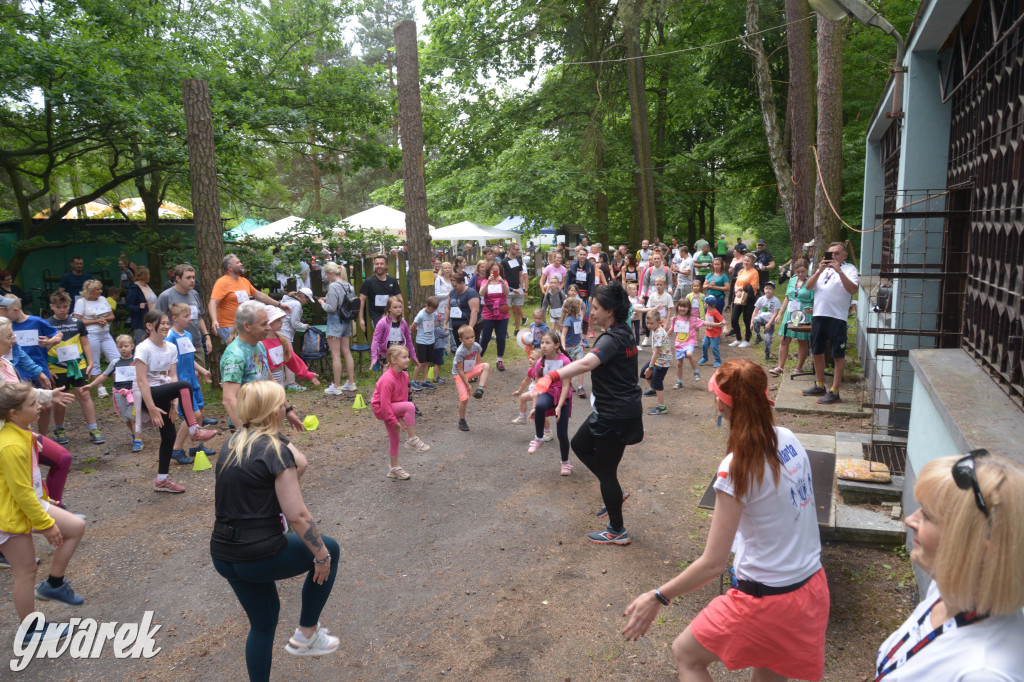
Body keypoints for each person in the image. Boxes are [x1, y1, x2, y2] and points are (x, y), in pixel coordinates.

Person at [621, 358, 828, 682]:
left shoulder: (737, 468)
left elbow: (713, 563)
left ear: (721, 403)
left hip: (766, 599)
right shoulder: (788, 439)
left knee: (687, 654)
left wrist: (658, 596)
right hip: (809, 589)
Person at [210, 381, 340, 680]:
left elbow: (297, 464)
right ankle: (307, 634)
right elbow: (297, 515)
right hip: (258, 555)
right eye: (283, 403)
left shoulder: (232, 442)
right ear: (272, 410)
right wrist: (320, 555)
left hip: (224, 554)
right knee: (330, 547)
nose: (286, 408)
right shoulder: (275, 450)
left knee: (263, 624)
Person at [873, 452, 1024, 680]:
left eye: (926, 515)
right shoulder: (948, 590)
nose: (910, 520)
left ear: (979, 549)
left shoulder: (983, 672)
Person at [531, 283, 643, 545]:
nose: (591, 312)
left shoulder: (611, 339)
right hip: (612, 411)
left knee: (607, 473)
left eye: (595, 308)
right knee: (580, 444)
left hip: (614, 415)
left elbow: (587, 363)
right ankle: (615, 493)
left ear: (610, 312)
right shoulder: (624, 333)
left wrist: (551, 376)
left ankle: (617, 530)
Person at [0, 383, 87, 642]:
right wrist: (47, 524)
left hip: (32, 505)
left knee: (75, 527)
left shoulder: (21, 433)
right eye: (31, 403)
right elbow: (22, 493)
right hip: (12, 515)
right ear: (13, 413)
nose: (39, 405)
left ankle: (55, 584)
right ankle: (30, 630)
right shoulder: (10, 446)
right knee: (25, 572)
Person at [134, 310, 217, 491]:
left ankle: (161, 480)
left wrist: (174, 404)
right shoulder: (143, 348)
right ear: (149, 326)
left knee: (169, 436)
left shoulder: (171, 348)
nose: (165, 326)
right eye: (161, 323)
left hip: (163, 391)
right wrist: (152, 408)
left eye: (166, 323)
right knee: (184, 385)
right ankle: (194, 430)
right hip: (146, 394)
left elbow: (172, 377)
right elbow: (141, 381)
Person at [0, 318, 76, 515]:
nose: (15, 340)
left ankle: (55, 511)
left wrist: (51, 394)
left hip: (21, 432)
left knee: (62, 458)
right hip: (8, 439)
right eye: (9, 336)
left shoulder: (6, 363)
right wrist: (23, 435)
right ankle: (53, 517)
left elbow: (21, 395)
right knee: (23, 486)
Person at [221, 301, 305, 434]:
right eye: (263, 324)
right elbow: (229, 399)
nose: (269, 327)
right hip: (249, 424)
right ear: (247, 326)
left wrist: (288, 410)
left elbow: (271, 380)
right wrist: (244, 432)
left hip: (266, 417)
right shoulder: (235, 356)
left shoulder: (259, 346)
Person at [802, 242, 859, 404]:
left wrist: (839, 271)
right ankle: (820, 385)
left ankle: (834, 391)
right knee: (817, 351)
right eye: (830, 253)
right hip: (819, 315)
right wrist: (819, 270)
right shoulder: (822, 270)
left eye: (836, 253)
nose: (832, 256)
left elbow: (853, 289)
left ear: (844, 256)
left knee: (837, 354)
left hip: (837, 317)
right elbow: (808, 286)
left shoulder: (849, 270)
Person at [46, 291, 102, 445]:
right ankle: (59, 428)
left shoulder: (77, 322)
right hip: (57, 368)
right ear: (52, 307)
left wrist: (90, 362)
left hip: (78, 365)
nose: (62, 310)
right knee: (61, 398)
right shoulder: (46, 324)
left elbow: (85, 343)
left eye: (65, 306)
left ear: (69, 305)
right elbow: (41, 348)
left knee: (84, 395)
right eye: (58, 307)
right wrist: (45, 369)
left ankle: (93, 428)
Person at [166, 303, 216, 465]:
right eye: (185, 316)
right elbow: (168, 362)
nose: (189, 319)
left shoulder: (187, 334)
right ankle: (176, 448)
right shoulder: (170, 337)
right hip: (181, 383)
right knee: (193, 416)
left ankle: (196, 445)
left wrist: (202, 371)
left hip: (193, 380)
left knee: (200, 411)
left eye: (190, 316)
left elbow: (190, 358)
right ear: (174, 318)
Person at [372, 345, 430, 481]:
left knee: (395, 439)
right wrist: (394, 421)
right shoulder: (387, 379)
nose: (408, 360)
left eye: (408, 357)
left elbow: (403, 398)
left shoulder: (404, 376)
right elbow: (385, 405)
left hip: (393, 407)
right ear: (393, 360)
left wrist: (402, 417)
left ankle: (393, 469)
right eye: (404, 357)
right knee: (410, 406)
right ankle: (412, 439)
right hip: (382, 409)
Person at [526, 331, 573, 473]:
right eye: (542, 343)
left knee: (562, 434)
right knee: (540, 406)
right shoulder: (540, 363)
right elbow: (537, 387)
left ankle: (565, 462)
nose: (544, 346)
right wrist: (534, 407)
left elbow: (566, 386)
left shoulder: (565, 361)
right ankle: (539, 438)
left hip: (563, 397)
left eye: (548, 343)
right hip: (548, 393)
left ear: (557, 345)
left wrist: (559, 406)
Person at [84, 335, 141, 451]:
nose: (123, 349)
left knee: (132, 416)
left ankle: (138, 440)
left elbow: (144, 375)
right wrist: (91, 385)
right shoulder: (115, 362)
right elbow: (105, 375)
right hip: (119, 393)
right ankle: (135, 434)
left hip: (133, 393)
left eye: (126, 346)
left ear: (132, 346)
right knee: (126, 418)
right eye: (120, 347)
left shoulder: (137, 361)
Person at [210, 254, 284, 343]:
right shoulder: (222, 282)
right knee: (238, 351)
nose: (241, 264)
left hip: (245, 325)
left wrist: (279, 304)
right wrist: (214, 320)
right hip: (229, 325)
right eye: (238, 262)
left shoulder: (244, 281)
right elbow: (213, 302)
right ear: (230, 267)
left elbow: (259, 295)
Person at [156, 263, 214, 366]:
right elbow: (157, 321)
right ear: (178, 278)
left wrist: (207, 336)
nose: (192, 280)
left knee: (199, 375)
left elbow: (199, 318)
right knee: (181, 378)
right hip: (176, 345)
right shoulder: (166, 296)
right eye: (188, 278)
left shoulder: (194, 294)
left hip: (196, 343)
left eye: (193, 277)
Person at [73, 280, 120, 390]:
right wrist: (96, 321)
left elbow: (111, 316)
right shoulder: (81, 302)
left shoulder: (103, 299)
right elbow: (77, 320)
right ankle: (100, 387)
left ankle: (119, 383)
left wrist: (105, 319)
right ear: (90, 291)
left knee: (116, 357)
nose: (100, 291)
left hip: (105, 333)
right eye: (98, 289)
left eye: (100, 288)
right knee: (94, 360)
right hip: (91, 334)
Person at [318, 262, 357, 395]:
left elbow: (332, 308)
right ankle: (351, 383)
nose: (326, 277)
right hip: (346, 321)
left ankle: (336, 386)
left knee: (335, 355)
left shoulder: (334, 285)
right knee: (346, 352)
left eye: (326, 274)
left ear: (330, 273)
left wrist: (323, 303)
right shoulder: (348, 285)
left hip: (335, 322)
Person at [771, 260, 814, 377]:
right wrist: (780, 313)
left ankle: (799, 367)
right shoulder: (792, 280)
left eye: (803, 272)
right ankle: (780, 366)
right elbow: (787, 297)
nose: (800, 274)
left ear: (807, 270)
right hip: (790, 312)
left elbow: (815, 299)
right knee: (784, 339)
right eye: (798, 272)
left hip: (803, 313)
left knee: (802, 340)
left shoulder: (811, 282)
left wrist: (812, 309)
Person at [452, 325, 489, 432]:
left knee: (486, 366)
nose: (471, 340)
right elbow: (459, 370)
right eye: (467, 338)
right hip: (460, 374)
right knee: (464, 399)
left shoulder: (476, 346)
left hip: (470, 370)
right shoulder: (460, 351)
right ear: (461, 339)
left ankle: (480, 389)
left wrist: (480, 376)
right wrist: (467, 384)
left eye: (472, 337)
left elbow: (478, 360)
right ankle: (462, 420)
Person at [478, 263, 511, 371]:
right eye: (492, 270)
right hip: (489, 312)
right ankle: (479, 359)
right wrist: (488, 281)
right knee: (486, 337)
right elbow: (481, 293)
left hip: (502, 312)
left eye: (496, 270)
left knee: (501, 337)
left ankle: (499, 360)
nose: (494, 272)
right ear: (489, 271)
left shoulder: (504, 281)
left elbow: (507, 292)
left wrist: (501, 281)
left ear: (500, 271)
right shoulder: (484, 281)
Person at [358, 254, 403, 333]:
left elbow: (400, 298)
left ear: (386, 265)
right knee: (382, 336)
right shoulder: (369, 281)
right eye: (377, 264)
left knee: (393, 337)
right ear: (374, 265)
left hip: (392, 313)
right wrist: (361, 319)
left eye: (381, 264)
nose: (379, 266)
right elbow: (361, 300)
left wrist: (402, 316)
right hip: (376, 315)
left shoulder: (392, 280)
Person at [371, 296, 416, 373]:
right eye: (395, 307)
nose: (398, 309)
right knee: (388, 378)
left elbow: (408, 340)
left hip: (400, 354)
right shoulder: (383, 322)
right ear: (389, 308)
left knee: (404, 377)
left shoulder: (403, 322)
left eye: (400, 307)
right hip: (386, 355)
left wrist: (413, 356)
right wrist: (374, 357)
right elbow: (375, 340)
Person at [640, 311, 671, 416]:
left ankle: (661, 407)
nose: (649, 325)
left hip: (662, 361)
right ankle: (653, 390)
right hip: (658, 358)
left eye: (651, 323)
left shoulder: (658, 333)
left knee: (657, 382)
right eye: (647, 323)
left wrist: (651, 367)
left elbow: (657, 352)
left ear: (659, 322)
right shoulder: (655, 329)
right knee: (643, 373)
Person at [670, 298, 704, 388]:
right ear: (678, 307)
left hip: (689, 341)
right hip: (679, 344)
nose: (682, 308)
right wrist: (663, 337)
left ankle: (696, 372)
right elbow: (671, 330)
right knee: (679, 364)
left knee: (689, 354)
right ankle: (679, 381)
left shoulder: (692, 319)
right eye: (681, 306)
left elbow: (704, 322)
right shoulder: (675, 319)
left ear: (689, 308)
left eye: (685, 307)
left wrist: (718, 324)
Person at [727, 254, 759, 348]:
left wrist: (741, 289)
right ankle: (738, 338)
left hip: (748, 299)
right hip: (739, 297)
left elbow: (753, 287)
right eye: (744, 260)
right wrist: (737, 291)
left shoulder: (754, 272)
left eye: (748, 261)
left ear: (752, 262)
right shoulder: (741, 271)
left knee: (747, 319)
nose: (745, 262)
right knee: (734, 319)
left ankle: (747, 339)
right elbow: (736, 283)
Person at [410, 296, 440, 390]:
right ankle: (413, 381)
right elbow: (412, 327)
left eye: (433, 310)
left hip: (430, 340)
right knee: (421, 362)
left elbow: (435, 323)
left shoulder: (433, 313)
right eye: (430, 309)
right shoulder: (421, 315)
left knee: (427, 362)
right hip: (422, 341)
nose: (431, 311)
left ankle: (424, 381)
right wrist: (418, 333)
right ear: (426, 305)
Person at [445, 273, 480, 354]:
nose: (454, 288)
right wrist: (445, 323)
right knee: (460, 349)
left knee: (471, 350)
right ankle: (462, 366)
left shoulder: (471, 293)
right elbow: (448, 308)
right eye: (453, 286)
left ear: (462, 283)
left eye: (456, 286)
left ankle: (474, 366)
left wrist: (470, 328)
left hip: (467, 324)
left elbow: (474, 311)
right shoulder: (452, 293)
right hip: (456, 326)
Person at [501, 243, 529, 334]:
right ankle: (504, 330)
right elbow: (502, 276)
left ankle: (517, 329)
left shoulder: (519, 261)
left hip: (518, 288)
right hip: (507, 289)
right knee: (505, 310)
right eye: (516, 249)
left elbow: (520, 275)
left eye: (518, 250)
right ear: (511, 249)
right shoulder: (504, 262)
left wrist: (522, 288)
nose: (518, 251)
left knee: (517, 310)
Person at [751, 282, 781, 363]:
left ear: (774, 290)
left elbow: (775, 313)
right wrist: (751, 323)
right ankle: (758, 336)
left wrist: (769, 323)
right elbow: (755, 311)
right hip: (761, 318)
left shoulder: (776, 300)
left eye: (770, 289)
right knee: (756, 320)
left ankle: (767, 355)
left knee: (768, 339)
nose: (768, 290)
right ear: (764, 290)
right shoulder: (761, 299)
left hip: (769, 321)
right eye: (766, 288)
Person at [698, 296, 725, 368]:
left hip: (715, 334)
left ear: (708, 305)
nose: (704, 304)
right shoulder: (707, 310)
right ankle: (705, 358)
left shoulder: (715, 312)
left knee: (714, 348)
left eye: (705, 303)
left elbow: (723, 321)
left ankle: (718, 361)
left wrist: (725, 328)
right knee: (704, 345)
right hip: (708, 333)